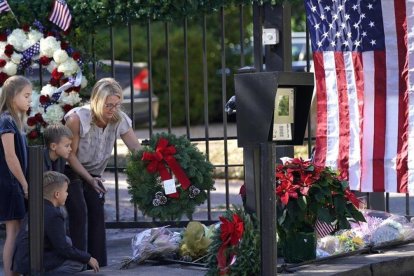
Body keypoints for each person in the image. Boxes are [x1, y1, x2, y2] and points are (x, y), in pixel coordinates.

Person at [64, 78, 141, 266]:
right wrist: (89, 179)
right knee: (79, 211)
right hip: (71, 170)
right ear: (97, 101)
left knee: (97, 213)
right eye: (108, 105)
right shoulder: (76, 119)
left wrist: (157, 163)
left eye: (117, 105)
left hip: (94, 173)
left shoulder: (119, 119)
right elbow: (70, 156)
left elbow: (137, 149)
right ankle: (77, 264)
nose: (112, 110)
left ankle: (98, 264)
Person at [12, 171, 100, 274]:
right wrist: (87, 258)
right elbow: (63, 248)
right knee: (77, 264)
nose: (67, 194)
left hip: (23, 261)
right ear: (57, 194)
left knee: (67, 240)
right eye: (66, 191)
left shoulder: (37, 208)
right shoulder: (53, 214)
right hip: (33, 263)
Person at [0, 76, 32, 276]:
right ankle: (11, 273)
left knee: (17, 229)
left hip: (14, 184)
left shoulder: (15, 120)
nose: (30, 100)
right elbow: (10, 157)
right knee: (13, 231)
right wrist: (24, 184)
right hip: (10, 184)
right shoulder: (6, 120)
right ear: (13, 97)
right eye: (26, 96)